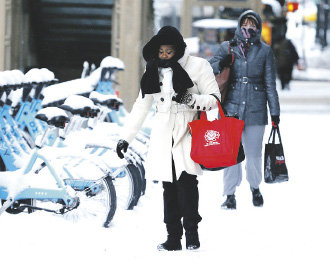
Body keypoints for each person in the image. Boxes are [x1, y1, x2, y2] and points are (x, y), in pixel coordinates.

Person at [116, 26, 220, 251]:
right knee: (169, 188)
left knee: (187, 185)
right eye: (160, 51)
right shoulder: (152, 69)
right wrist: (126, 138)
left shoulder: (198, 66)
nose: (164, 55)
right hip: (163, 133)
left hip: (188, 130)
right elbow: (141, 104)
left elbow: (214, 98)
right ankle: (173, 237)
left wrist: (190, 100)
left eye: (169, 51)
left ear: (178, 49)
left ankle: (192, 234)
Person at [209, 10, 280, 209]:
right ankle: (229, 194)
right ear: (239, 25)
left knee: (254, 153)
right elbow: (210, 66)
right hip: (231, 108)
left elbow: (270, 84)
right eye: (245, 24)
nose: (248, 28)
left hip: (256, 110)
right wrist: (220, 64)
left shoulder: (264, 51)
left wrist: (275, 112)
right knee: (230, 153)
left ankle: (255, 187)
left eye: (253, 24)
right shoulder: (228, 47)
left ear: (257, 28)